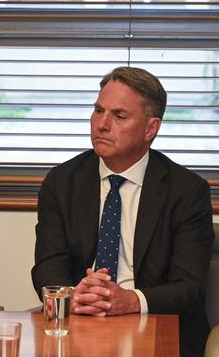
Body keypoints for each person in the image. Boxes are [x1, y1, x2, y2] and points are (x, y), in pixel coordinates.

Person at [31, 66, 213, 356]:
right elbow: (47, 265)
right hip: (78, 324)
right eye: (98, 110)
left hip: (153, 328)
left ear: (151, 129)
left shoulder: (188, 192)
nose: (101, 124)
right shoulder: (62, 182)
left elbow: (189, 287)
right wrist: (74, 295)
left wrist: (129, 300)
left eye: (119, 116)